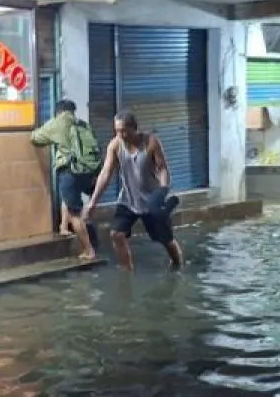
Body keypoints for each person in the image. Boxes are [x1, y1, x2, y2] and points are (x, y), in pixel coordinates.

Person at [82, 111, 183, 271]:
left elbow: (162, 168)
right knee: (116, 234)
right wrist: (92, 202)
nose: (120, 135)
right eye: (117, 131)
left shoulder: (151, 142)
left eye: (124, 131)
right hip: (128, 200)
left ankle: (177, 265)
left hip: (151, 201)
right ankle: (126, 271)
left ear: (134, 128)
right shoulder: (115, 145)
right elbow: (105, 174)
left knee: (165, 239)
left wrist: (163, 190)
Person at [30, 100, 100, 260]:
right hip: (88, 172)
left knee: (76, 214)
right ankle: (64, 227)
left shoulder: (58, 123)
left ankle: (89, 250)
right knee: (70, 200)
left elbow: (35, 138)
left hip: (70, 172)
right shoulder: (83, 125)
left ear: (58, 111)